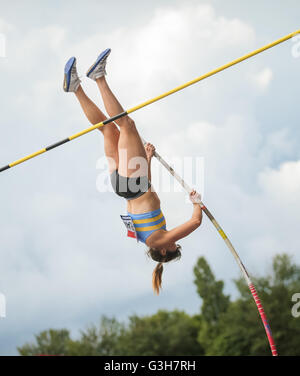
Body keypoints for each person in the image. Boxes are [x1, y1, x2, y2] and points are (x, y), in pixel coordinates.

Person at [63, 49, 203, 294]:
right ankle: (75, 88)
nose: (174, 242)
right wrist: (146, 160)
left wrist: (196, 203)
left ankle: (99, 77)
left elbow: (195, 221)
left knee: (126, 124)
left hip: (133, 184)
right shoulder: (150, 234)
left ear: (162, 251)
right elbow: (144, 194)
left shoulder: (159, 239)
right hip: (125, 185)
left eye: (173, 247)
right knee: (108, 129)